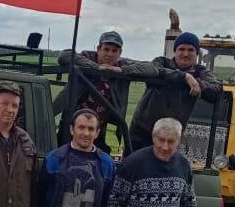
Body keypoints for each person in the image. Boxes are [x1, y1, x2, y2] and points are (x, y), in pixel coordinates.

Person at [53, 31, 196, 154]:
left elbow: (152, 69)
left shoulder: (122, 65)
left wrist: (122, 71)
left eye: (114, 51)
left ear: (120, 53)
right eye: (106, 49)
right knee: (63, 154)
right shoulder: (86, 57)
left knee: (100, 159)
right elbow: (64, 56)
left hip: (98, 128)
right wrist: (96, 67)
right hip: (73, 124)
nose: (109, 54)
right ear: (98, 48)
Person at [130, 32, 223, 151]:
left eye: (190, 50)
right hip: (142, 133)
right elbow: (153, 72)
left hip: (170, 138)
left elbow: (216, 90)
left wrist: (197, 83)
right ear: (175, 51)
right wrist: (184, 77)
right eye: (181, 49)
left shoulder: (201, 72)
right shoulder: (162, 62)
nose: (185, 54)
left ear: (197, 54)